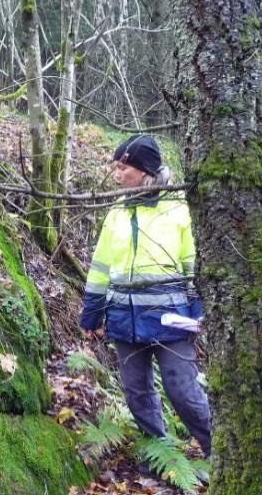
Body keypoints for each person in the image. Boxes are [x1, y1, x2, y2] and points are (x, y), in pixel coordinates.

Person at [79, 134, 212, 460]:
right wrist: (92, 314)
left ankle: (219, 453)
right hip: (125, 321)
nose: (117, 174)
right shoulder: (117, 214)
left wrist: (199, 313)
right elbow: (100, 269)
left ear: (145, 170)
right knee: (137, 393)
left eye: (123, 167)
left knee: (183, 392)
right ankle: (161, 455)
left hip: (172, 322)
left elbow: (195, 267)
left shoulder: (179, 211)